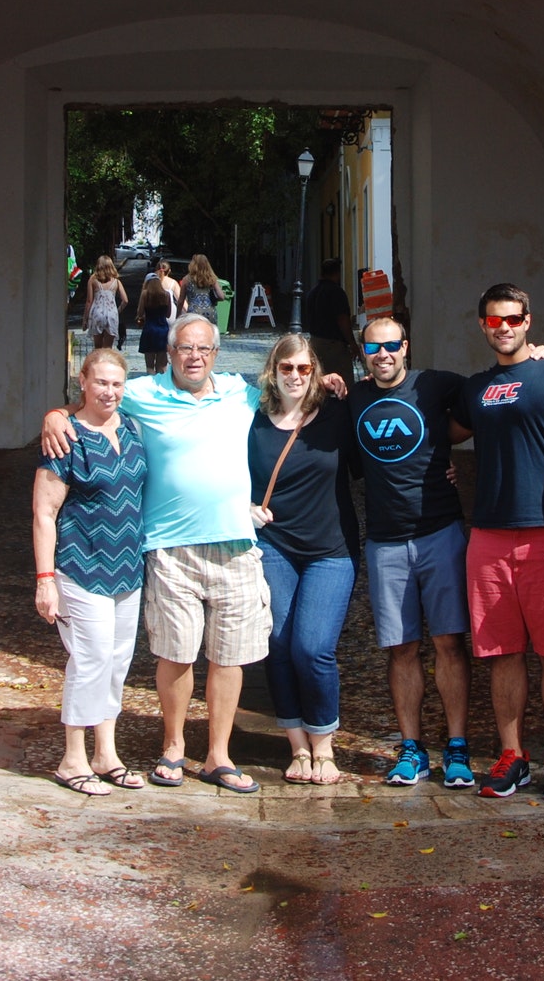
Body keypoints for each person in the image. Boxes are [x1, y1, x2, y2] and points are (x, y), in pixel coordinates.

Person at [41, 315, 342, 794]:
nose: (194, 356)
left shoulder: (240, 393)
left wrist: (323, 380)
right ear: (171, 351)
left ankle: (218, 755)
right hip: (170, 548)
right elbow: (96, 402)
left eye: (203, 348)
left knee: (231, 657)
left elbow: (292, 392)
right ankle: (174, 746)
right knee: (175, 654)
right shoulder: (142, 393)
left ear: (216, 354)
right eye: (185, 348)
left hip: (236, 544)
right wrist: (56, 414)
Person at [452, 283, 544, 804]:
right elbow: (438, 428)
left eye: (513, 318)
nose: (505, 328)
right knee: (502, 652)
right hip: (489, 536)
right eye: (495, 321)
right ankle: (512, 756)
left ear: (528, 320)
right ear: (483, 326)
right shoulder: (476, 388)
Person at [350, 316, 477, 789]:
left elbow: (492, 395)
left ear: (407, 346)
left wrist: (540, 358)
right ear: (363, 352)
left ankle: (458, 747)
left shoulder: (436, 384)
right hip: (385, 540)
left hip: (440, 532)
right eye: (373, 347)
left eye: (391, 345)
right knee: (401, 648)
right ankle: (412, 749)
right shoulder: (354, 396)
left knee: (448, 641)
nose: (383, 354)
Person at [31, 348, 149, 795]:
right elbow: (44, 512)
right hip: (81, 566)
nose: (110, 391)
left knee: (117, 663)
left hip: (127, 569)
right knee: (91, 660)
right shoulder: (66, 437)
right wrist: (45, 580)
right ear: (82, 381)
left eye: (117, 384)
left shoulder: (134, 429)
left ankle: (107, 753)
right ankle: (72, 758)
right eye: (101, 382)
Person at [248, 335, 358, 786]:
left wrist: (442, 468)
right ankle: (297, 744)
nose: (295, 376)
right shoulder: (250, 421)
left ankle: (324, 744)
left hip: (330, 551)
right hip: (275, 545)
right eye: (286, 368)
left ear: (315, 370)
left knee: (312, 647)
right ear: (272, 371)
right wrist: (243, 508)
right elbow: (217, 471)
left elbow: (384, 442)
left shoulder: (335, 414)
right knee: (277, 640)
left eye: (304, 368)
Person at [303, 257, 358, 382]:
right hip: (334, 346)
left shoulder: (312, 293)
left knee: (318, 381)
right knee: (344, 382)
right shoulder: (337, 293)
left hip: (315, 343)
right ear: (337, 273)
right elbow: (343, 320)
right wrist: (352, 343)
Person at [84, 255, 126, 351]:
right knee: (108, 349)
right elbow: (125, 300)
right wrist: (117, 311)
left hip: (97, 313)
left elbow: (89, 301)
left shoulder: (92, 280)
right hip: (112, 314)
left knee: (98, 348)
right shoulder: (117, 282)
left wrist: (85, 319)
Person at [136, 274, 173, 375]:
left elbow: (139, 313)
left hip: (149, 329)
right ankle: (160, 384)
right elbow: (168, 314)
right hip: (163, 330)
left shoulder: (145, 294)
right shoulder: (166, 295)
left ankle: (151, 380)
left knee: (149, 365)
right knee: (162, 365)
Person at [182, 254, 223, 327]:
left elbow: (180, 301)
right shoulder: (212, 279)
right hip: (210, 312)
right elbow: (221, 296)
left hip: (194, 313)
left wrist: (178, 316)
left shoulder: (186, 279)